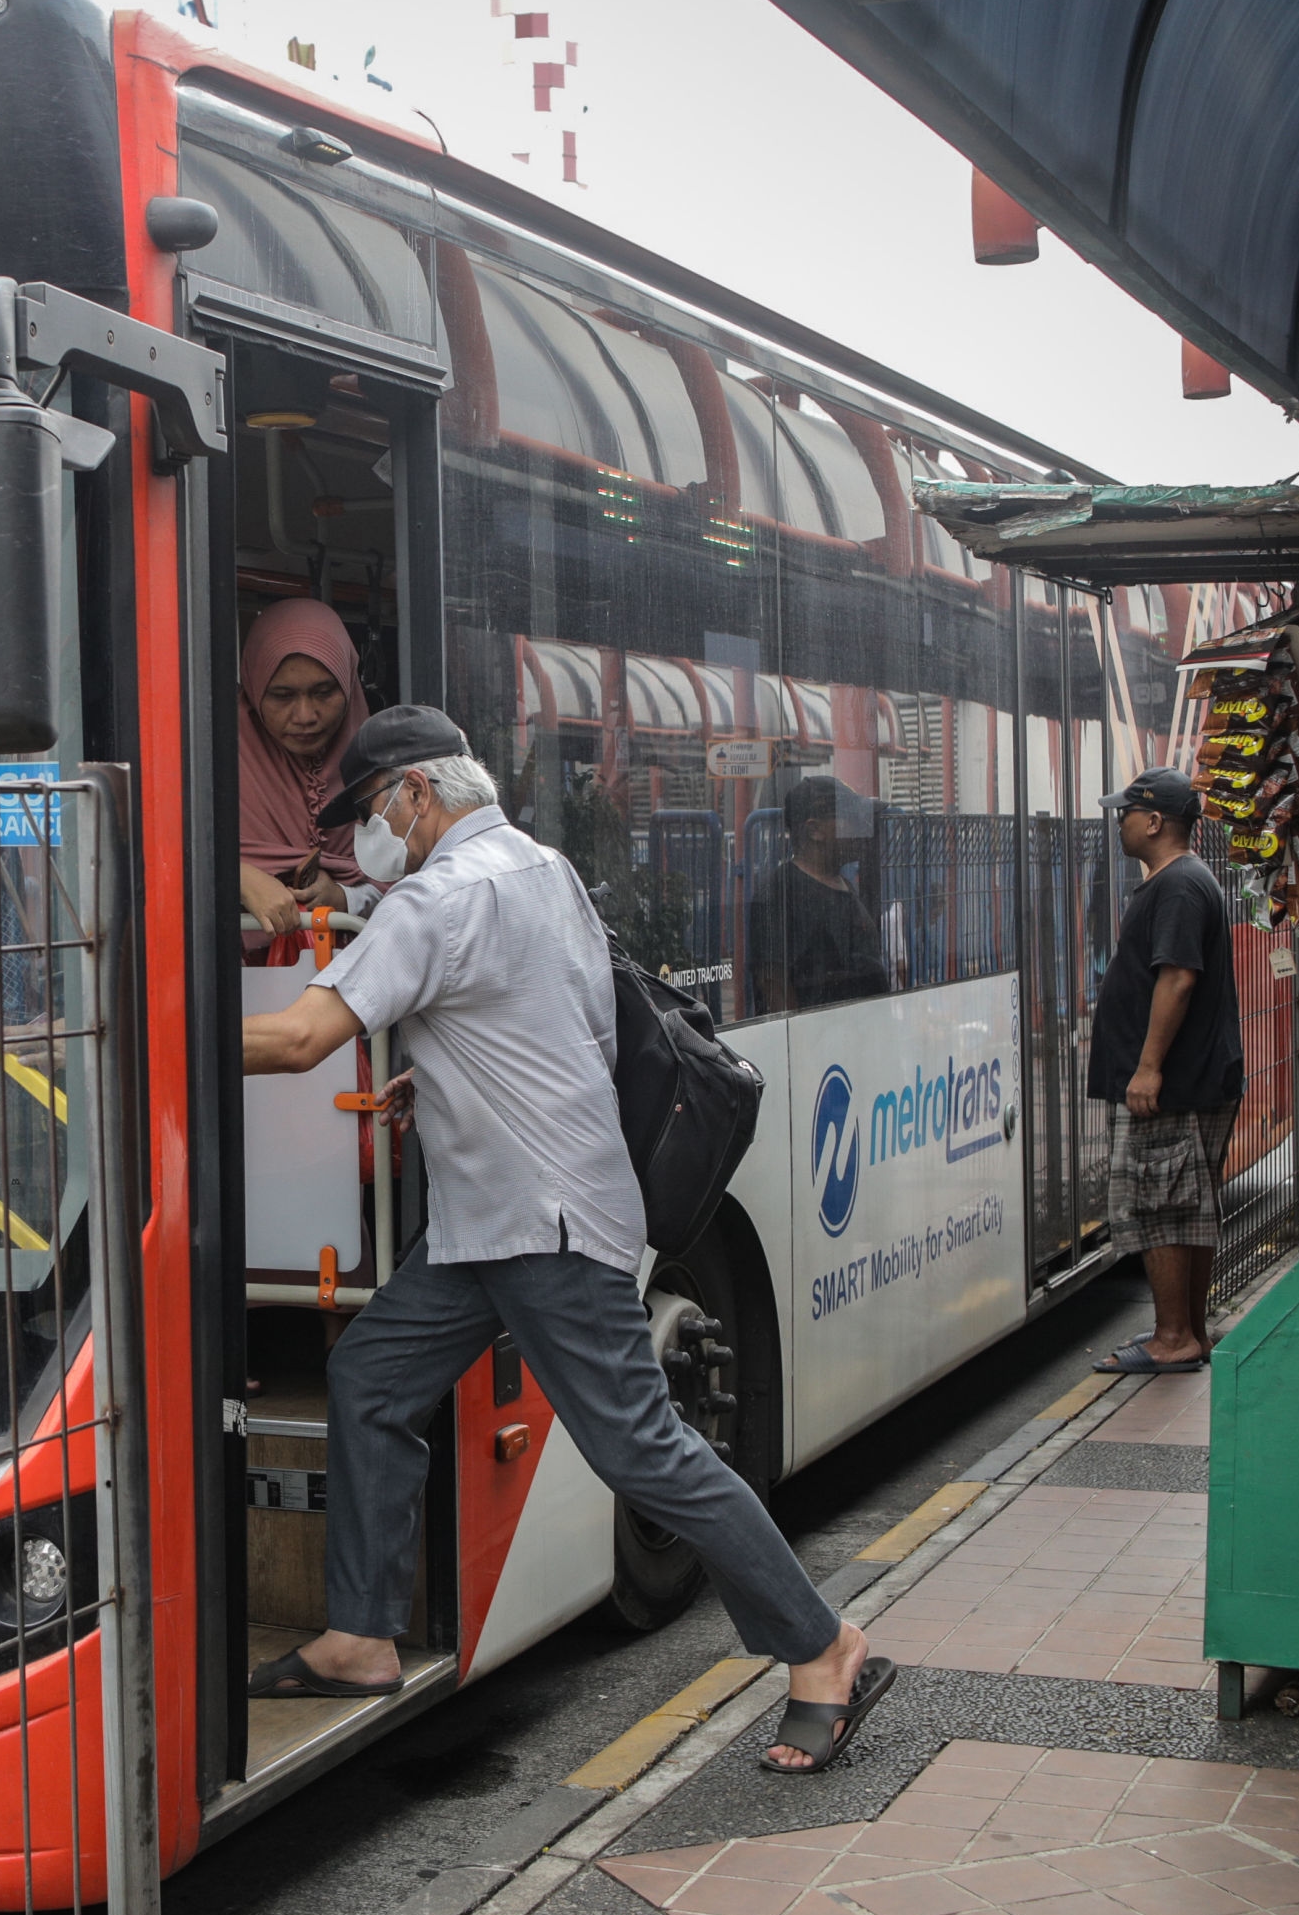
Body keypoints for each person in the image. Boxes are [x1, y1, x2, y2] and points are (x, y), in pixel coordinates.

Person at [239, 704, 893, 1775]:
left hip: (538, 1223)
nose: (361, 837)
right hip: (496, 1219)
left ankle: (823, 1645)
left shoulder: (437, 897)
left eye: (365, 811)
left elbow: (304, 1035)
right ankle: (360, 1636)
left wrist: (153, 1034)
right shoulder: (541, 866)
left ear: (415, 793)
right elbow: (574, 1028)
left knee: (640, 1445)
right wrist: (444, 1077)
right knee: (371, 1378)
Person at [1089, 766, 1244, 1376]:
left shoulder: (1177, 886)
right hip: (1189, 1082)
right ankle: (1189, 1332)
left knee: (1163, 1207)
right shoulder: (1184, 880)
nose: (1119, 823)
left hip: (1173, 1086)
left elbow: (1177, 977)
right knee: (1186, 1207)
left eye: (1126, 813)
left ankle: (1173, 1337)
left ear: (1154, 822)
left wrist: (1148, 1067)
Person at [237, 598, 372, 938]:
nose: (305, 716)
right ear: (254, 688)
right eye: (282, 696)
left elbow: (416, 886)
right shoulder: (207, 764)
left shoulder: (381, 768)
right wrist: (237, 877)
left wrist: (345, 898)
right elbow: (158, 861)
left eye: (324, 692)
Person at [748, 774, 887, 1014]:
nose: (860, 829)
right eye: (850, 819)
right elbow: (774, 986)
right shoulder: (779, 894)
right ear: (814, 830)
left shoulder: (843, 884)